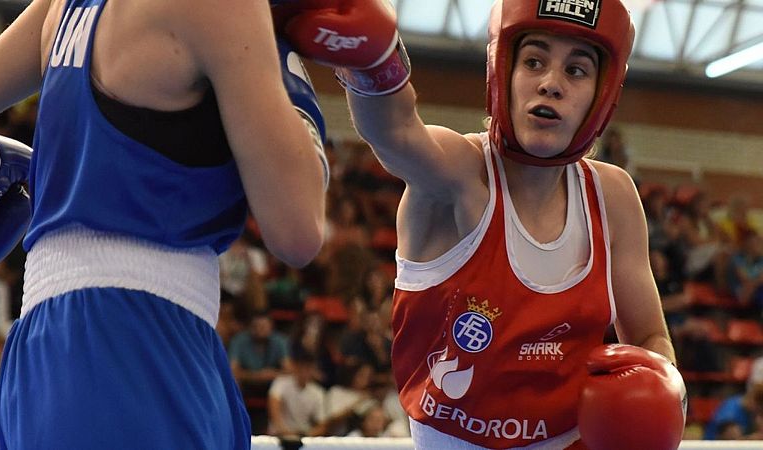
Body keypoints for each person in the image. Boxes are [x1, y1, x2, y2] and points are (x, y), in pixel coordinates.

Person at [274, 0, 686, 448]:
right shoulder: (458, 175)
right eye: (534, 61)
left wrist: (662, 384)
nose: (551, 84)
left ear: (602, 95)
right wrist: (374, 63)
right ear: (502, 71)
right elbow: (395, 133)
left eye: (577, 71)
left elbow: (649, 336)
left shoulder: (614, 196)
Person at [0, 0, 328, 448]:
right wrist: (315, 88)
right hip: (134, 344)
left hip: (43, 353)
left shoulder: (61, 5)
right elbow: (297, 232)